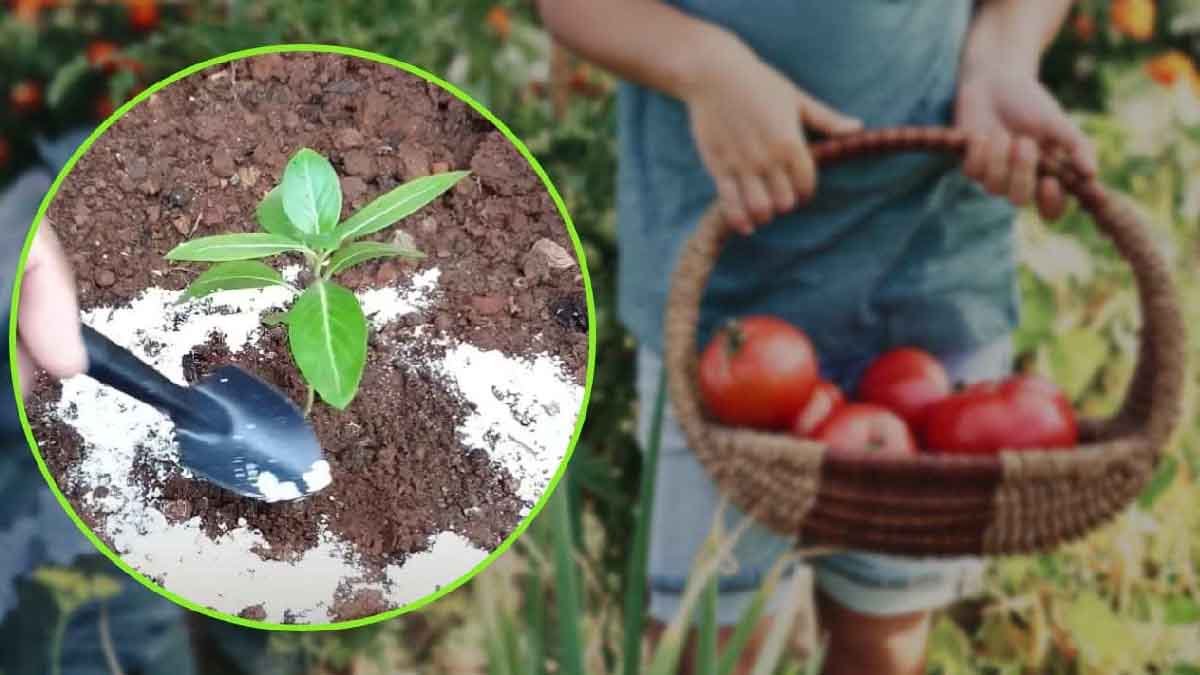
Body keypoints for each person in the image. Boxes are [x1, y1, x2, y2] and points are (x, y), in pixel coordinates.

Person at [538, 1, 1095, 673]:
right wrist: (705, 65)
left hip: (927, 281)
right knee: (710, 646)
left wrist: (1003, 52)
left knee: (885, 635)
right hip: (727, 307)